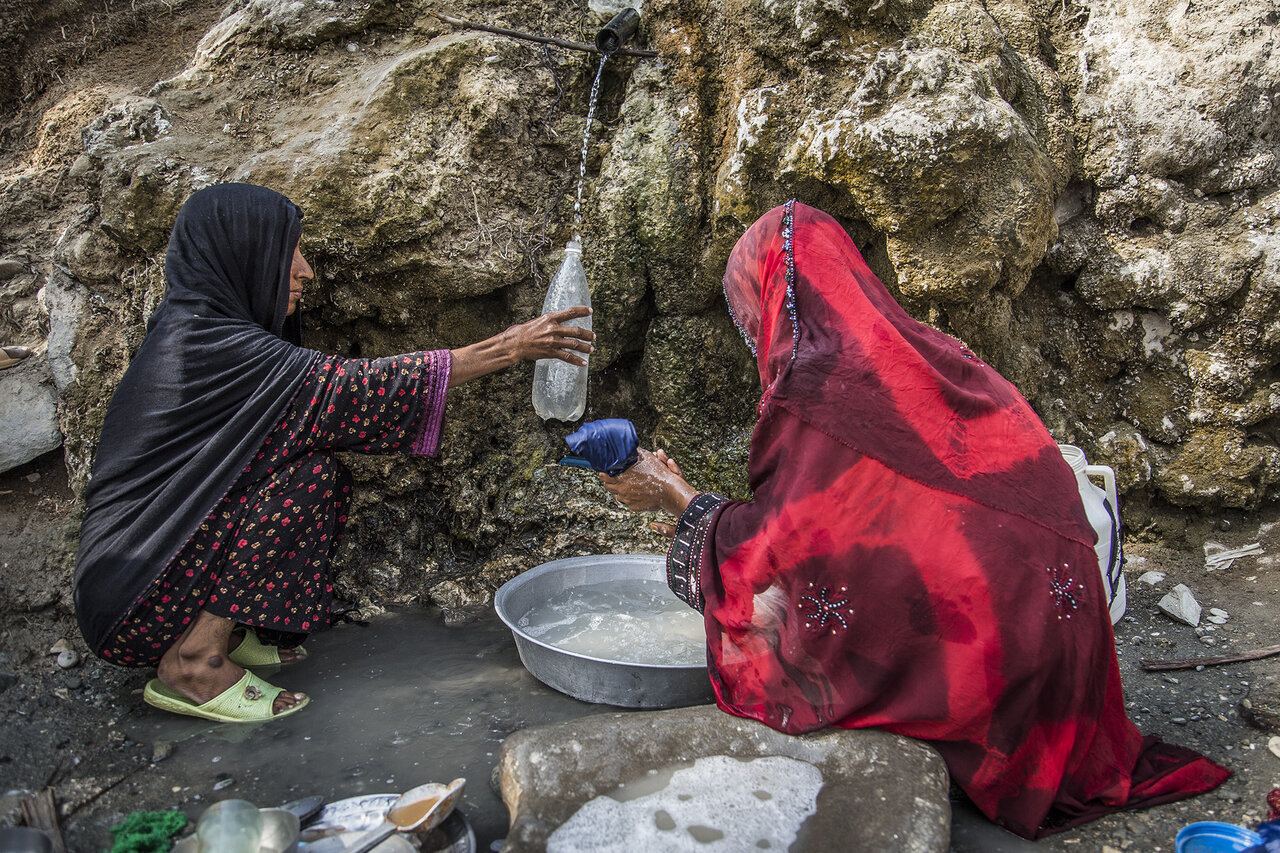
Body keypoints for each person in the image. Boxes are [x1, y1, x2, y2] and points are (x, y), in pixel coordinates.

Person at [599, 201, 1229, 838]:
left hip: (1001, 682)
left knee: (788, 626)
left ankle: (957, 725)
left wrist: (678, 498)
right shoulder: (928, 358)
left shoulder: (810, 389)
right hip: (1067, 661)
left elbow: (783, 554)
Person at [74, 183, 594, 723]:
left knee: (312, 473)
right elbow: (355, 389)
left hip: (151, 582)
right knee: (300, 486)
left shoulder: (201, 330)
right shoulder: (206, 345)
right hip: (134, 602)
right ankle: (192, 662)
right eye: (288, 253)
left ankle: (226, 633)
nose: (305, 271)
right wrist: (509, 347)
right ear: (242, 256)